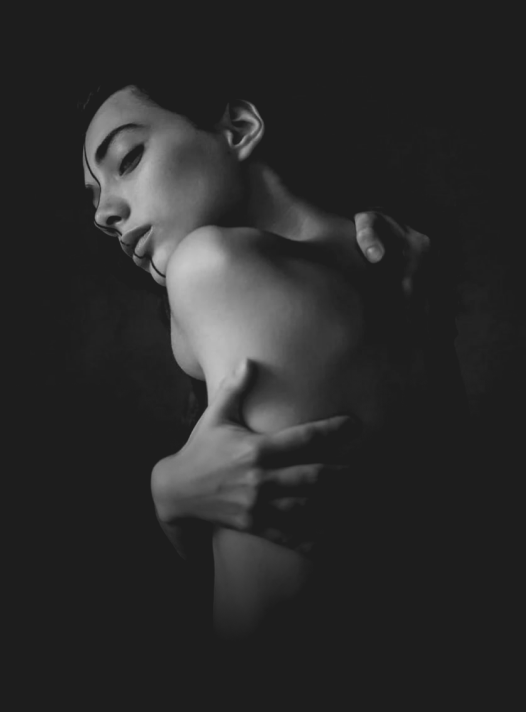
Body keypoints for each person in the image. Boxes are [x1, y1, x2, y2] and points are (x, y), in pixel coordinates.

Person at [81, 69, 466, 691]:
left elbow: (263, 628)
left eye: (127, 159)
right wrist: (170, 495)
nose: (105, 212)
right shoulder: (397, 279)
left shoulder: (211, 264)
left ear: (239, 129)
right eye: (95, 195)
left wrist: (167, 494)